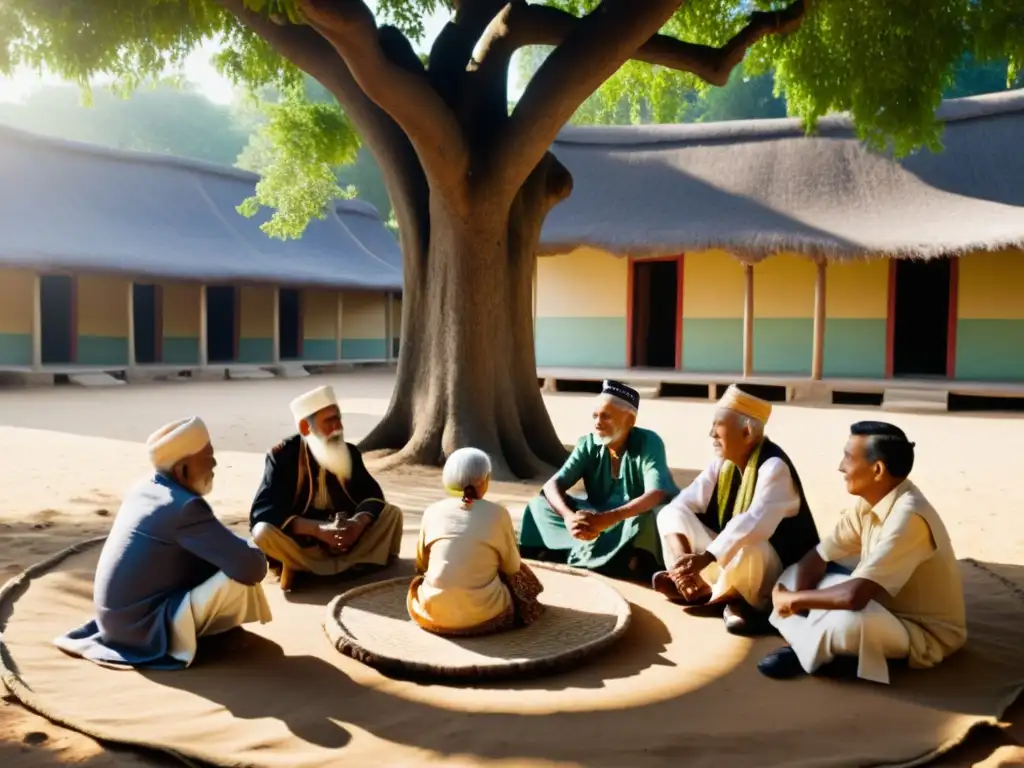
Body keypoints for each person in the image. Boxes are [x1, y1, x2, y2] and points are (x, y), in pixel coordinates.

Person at [54, 417, 271, 669]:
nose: (214, 463)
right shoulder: (185, 507)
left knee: (224, 555)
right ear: (183, 470)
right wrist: (252, 547)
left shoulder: (143, 487)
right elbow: (252, 568)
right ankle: (190, 640)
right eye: (207, 456)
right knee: (237, 575)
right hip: (141, 632)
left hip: (115, 624)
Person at [759, 421, 967, 684]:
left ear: (877, 469)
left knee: (847, 621)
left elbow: (853, 597)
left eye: (847, 457)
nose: (840, 467)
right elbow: (820, 555)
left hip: (918, 630)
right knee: (792, 574)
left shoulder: (909, 516)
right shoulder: (869, 503)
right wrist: (799, 604)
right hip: (878, 604)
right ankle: (814, 640)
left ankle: (801, 647)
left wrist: (793, 602)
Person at [654, 385, 820, 635]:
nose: (711, 433)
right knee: (669, 512)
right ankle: (691, 584)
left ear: (745, 432)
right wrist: (683, 564)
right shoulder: (721, 464)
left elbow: (754, 522)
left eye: (718, 426)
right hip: (727, 561)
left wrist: (706, 558)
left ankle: (740, 602)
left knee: (751, 544)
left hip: (772, 574)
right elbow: (682, 505)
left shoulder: (774, 467)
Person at [518, 380, 677, 580]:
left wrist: (610, 518)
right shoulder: (588, 443)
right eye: (595, 416)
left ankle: (574, 552)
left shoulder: (649, 442)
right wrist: (568, 517)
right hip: (596, 517)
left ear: (629, 421)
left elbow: (655, 493)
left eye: (606, 416)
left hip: (629, 517)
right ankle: (605, 556)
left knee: (643, 521)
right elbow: (552, 485)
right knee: (539, 505)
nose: (598, 422)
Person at [250, 385, 403, 590]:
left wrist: (357, 523)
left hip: (347, 539)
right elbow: (264, 512)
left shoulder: (349, 452)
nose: (338, 427)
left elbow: (373, 495)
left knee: (392, 515)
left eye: (338, 419)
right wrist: (318, 530)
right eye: (329, 421)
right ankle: (335, 566)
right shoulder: (282, 456)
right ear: (306, 428)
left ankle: (317, 569)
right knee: (262, 532)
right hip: (304, 545)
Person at [408, 448, 544, 636]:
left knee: (420, 581)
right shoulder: (498, 514)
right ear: (484, 480)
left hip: (432, 616)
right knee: (520, 575)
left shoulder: (432, 511)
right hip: (487, 616)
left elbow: (421, 563)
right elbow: (512, 567)